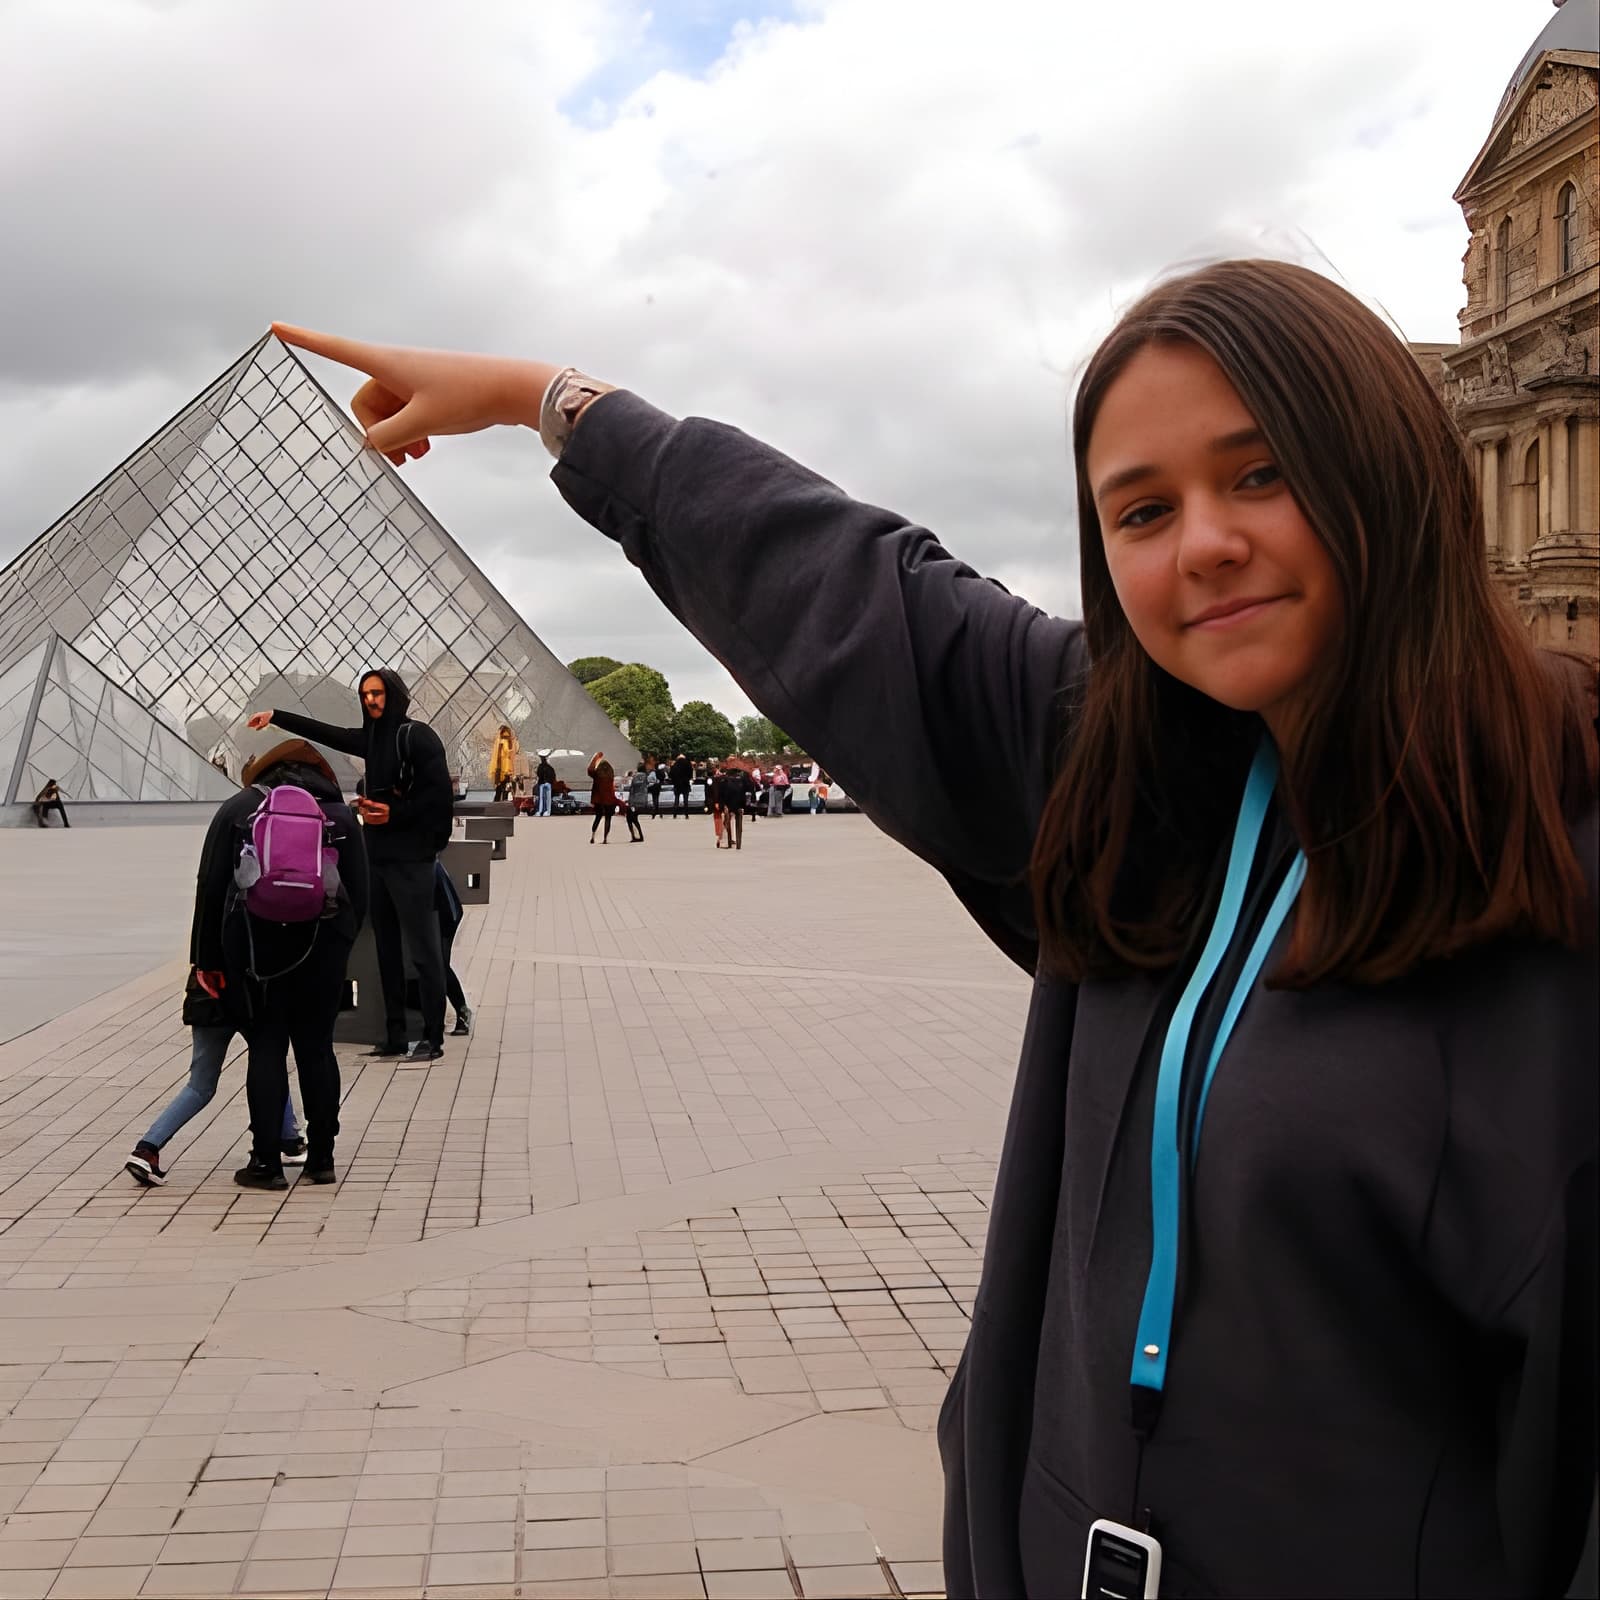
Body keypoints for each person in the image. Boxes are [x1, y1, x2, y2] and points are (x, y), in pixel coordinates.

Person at [273, 274, 1599, 1597]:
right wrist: (543, 399)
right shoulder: (1124, 779)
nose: (1201, 543)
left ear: (1394, 476)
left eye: (1260, 477)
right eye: (1141, 509)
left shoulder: (1560, 846)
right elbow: (846, 586)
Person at [187, 739, 368, 1190]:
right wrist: (338, 947)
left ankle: (266, 1162)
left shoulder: (238, 810)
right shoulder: (340, 817)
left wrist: (205, 959)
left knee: (267, 1049)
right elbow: (361, 894)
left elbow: (210, 886)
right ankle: (321, 1159)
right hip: (322, 951)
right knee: (317, 1050)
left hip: (255, 953)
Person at [248, 669, 453, 1064]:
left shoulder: (417, 737)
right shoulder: (372, 740)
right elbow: (328, 733)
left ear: (393, 695)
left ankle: (432, 1036)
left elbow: (438, 800)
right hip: (378, 858)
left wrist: (392, 813)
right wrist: (276, 715)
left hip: (412, 861)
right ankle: (394, 1036)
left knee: (425, 951)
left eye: (377, 693)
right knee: (386, 949)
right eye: (365, 694)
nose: (371, 700)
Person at [125, 970, 309, 1188]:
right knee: (269, 1067)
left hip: (207, 998)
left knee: (199, 1086)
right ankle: (288, 1139)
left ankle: (147, 1149)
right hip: (250, 997)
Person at [434, 858, 472, 1035]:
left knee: (439, 964)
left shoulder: (427, 864)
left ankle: (462, 1010)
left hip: (445, 914)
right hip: (434, 912)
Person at [717, 761, 752, 851]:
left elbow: (720, 794)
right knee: (736, 823)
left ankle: (727, 841)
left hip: (728, 803)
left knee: (727, 821)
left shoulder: (723, 779)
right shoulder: (744, 778)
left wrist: (722, 805)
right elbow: (750, 790)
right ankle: (736, 842)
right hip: (740, 803)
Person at [588, 750, 616, 843]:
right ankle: (605, 838)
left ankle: (593, 836)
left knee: (598, 817)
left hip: (598, 799)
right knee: (608, 818)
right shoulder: (610, 776)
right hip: (609, 800)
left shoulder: (597, 775)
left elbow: (590, 769)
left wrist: (596, 757)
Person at [489, 723, 518, 801]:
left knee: (500, 786)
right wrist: (514, 743)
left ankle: (497, 800)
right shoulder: (506, 741)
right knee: (506, 785)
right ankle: (504, 799)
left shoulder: (499, 741)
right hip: (506, 768)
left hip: (499, 768)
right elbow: (508, 752)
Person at [623, 765, 648, 841]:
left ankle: (636, 835)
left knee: (630, 818)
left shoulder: (635, 777)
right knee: (634, 818)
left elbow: (631, 788)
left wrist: (630, 801)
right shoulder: (646, 777)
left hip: (634, 800)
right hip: (643, 799)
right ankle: (638, 835)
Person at [669, 752, 692, 817]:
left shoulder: (675, 765)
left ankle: (675, 813)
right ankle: (686, 813)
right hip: (685, 783)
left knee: (676, 798)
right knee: (686, 799)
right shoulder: (688, 764)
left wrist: (674, 780)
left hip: (677, 784)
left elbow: (671, 774)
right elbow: (690, 774)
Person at [535, 751, 556, 817]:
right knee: (548, 798)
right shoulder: (550, 767)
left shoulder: (540, 766)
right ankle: (547, 811)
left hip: (541, 783)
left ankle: (540, 811)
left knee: (541, 798)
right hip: (548, 783)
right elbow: (553, 776)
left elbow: (538, 774)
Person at [645, 754, 662, 819]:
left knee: (654, 799)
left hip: (653, 786)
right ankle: (657, 811)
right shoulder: (658, 771)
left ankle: (655, 811)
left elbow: (650, 779)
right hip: (657, 786)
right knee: (656, 799)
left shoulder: (652, 772)